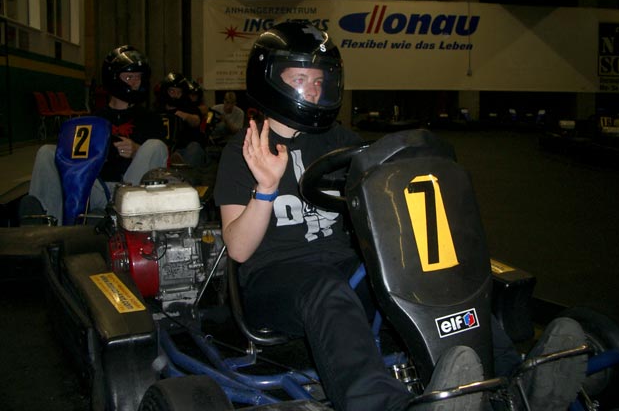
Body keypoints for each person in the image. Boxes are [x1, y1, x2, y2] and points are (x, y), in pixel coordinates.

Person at [213, 22, 587, 411]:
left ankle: (512, 380)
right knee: (327, 291)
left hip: (341, 265)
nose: (313, 90)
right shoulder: (243, 151)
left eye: (320, 80)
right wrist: (267, 188)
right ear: (270, 79)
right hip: (273, 279)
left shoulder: (338, 140)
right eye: (300, 78)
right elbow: (238, 249)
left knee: (433, 274)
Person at [20, 45, 168, 225]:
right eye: (129, 77)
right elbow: (73, 159)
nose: (136, 83)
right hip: (93, 187)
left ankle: (117, 218)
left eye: (139, 77)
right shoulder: (92, 120)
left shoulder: (151, 119)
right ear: (113, 79)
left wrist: (138, 151)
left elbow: (161, 162)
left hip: (128, 190)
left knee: (155, 145)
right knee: (47, 152)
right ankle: (49, 225)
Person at [155, 72, 207, 167]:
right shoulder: (157, 110)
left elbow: (196, 121)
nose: (175, 95)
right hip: (163, 148)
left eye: (179, 92)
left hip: (183, 149)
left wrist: (184, 116)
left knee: (194, 147)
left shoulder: (188, 107)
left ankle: (184, 171)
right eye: (172, 92)